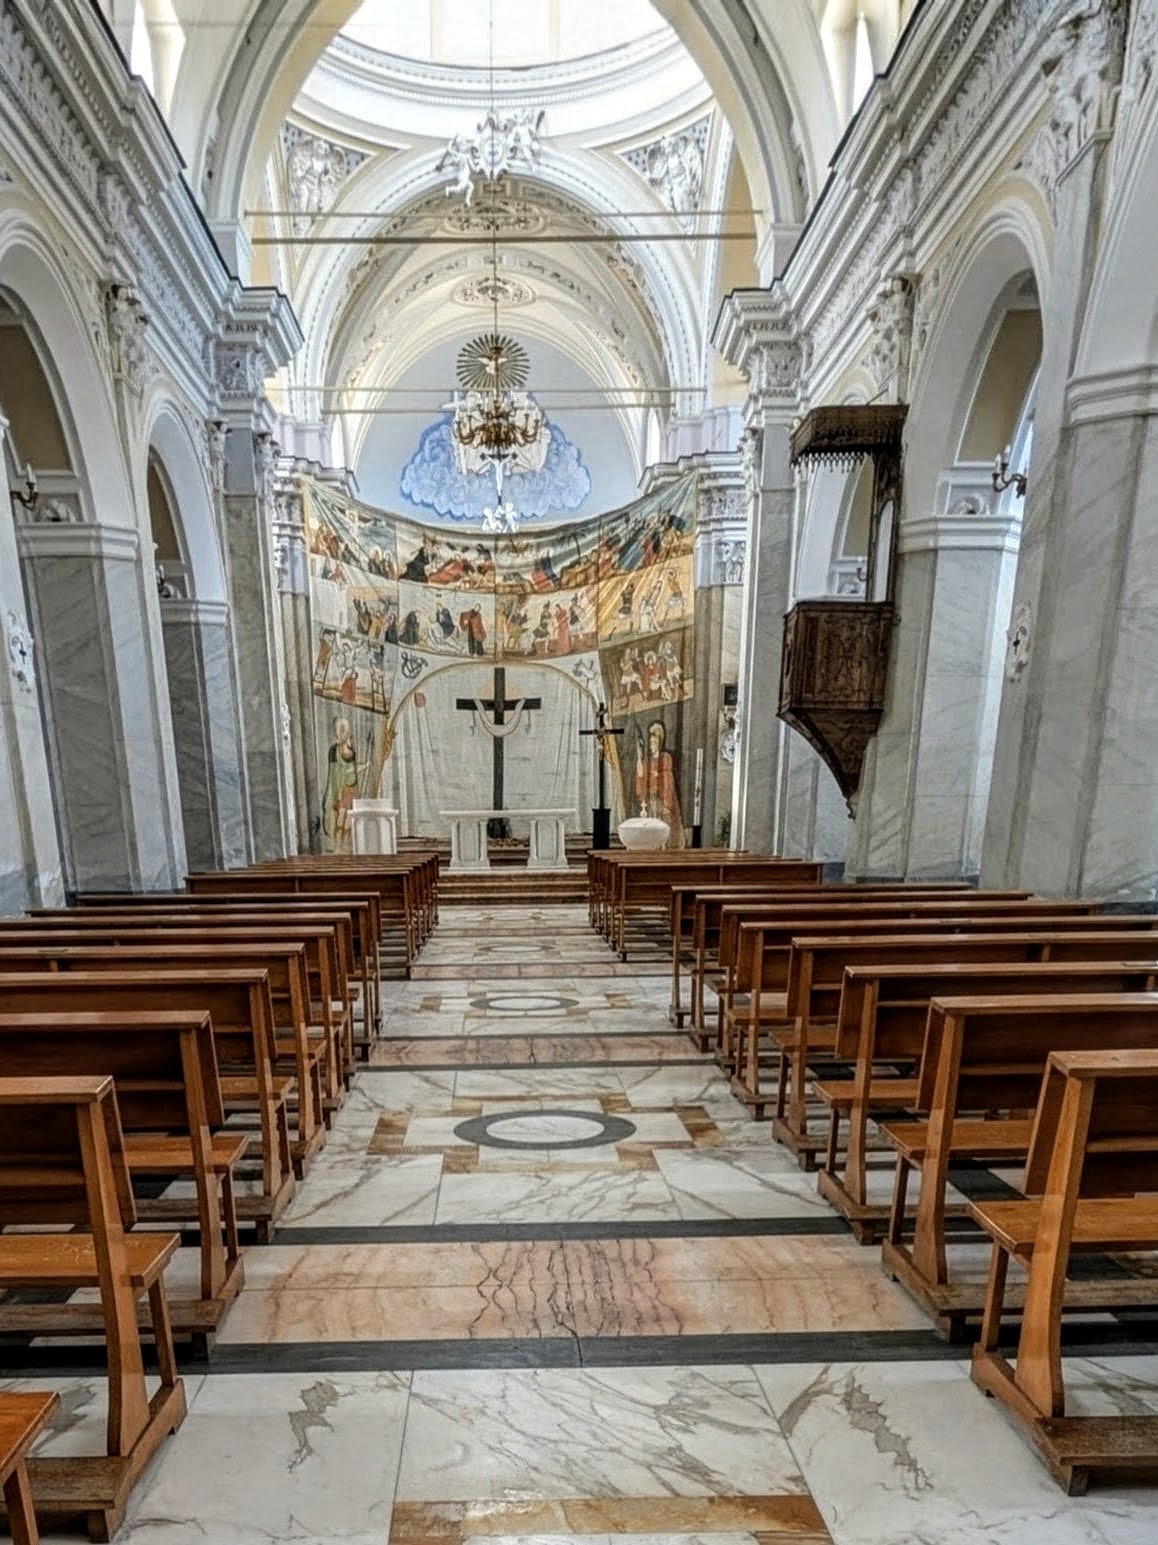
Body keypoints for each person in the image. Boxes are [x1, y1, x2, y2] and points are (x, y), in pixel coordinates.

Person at [634, 719, 685, 847]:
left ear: (658, 743)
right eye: (650, 743)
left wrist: (660, 776)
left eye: (653, 743)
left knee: (662, 825)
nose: (651, 746)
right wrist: (639, 762)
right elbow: (641, 776)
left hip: (661, 798)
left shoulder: (665, 758)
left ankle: (663, 846)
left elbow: (668, 778)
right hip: (651, 798)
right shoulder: (647, 761)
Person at [322, 715, 360, 849]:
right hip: (340, 790)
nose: (345, 732)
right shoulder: (333, 750)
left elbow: (353, 772)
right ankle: (337, 846)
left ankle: (345, 845)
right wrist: (335, 795)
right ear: (338, 732)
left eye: (346, 729)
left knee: (349, 821)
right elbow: (333, 774)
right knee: (340, 819)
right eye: (342, 730)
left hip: (352, 790)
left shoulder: (352, 752)